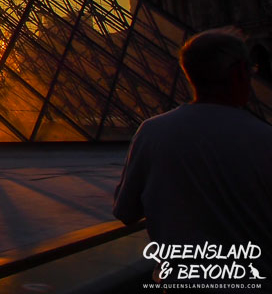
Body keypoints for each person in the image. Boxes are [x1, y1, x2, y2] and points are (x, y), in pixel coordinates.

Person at [113, 28, 272, 285]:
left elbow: (125, 211)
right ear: (239, 72)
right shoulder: (265, 139)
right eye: (251, 71)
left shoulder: (152, 132)